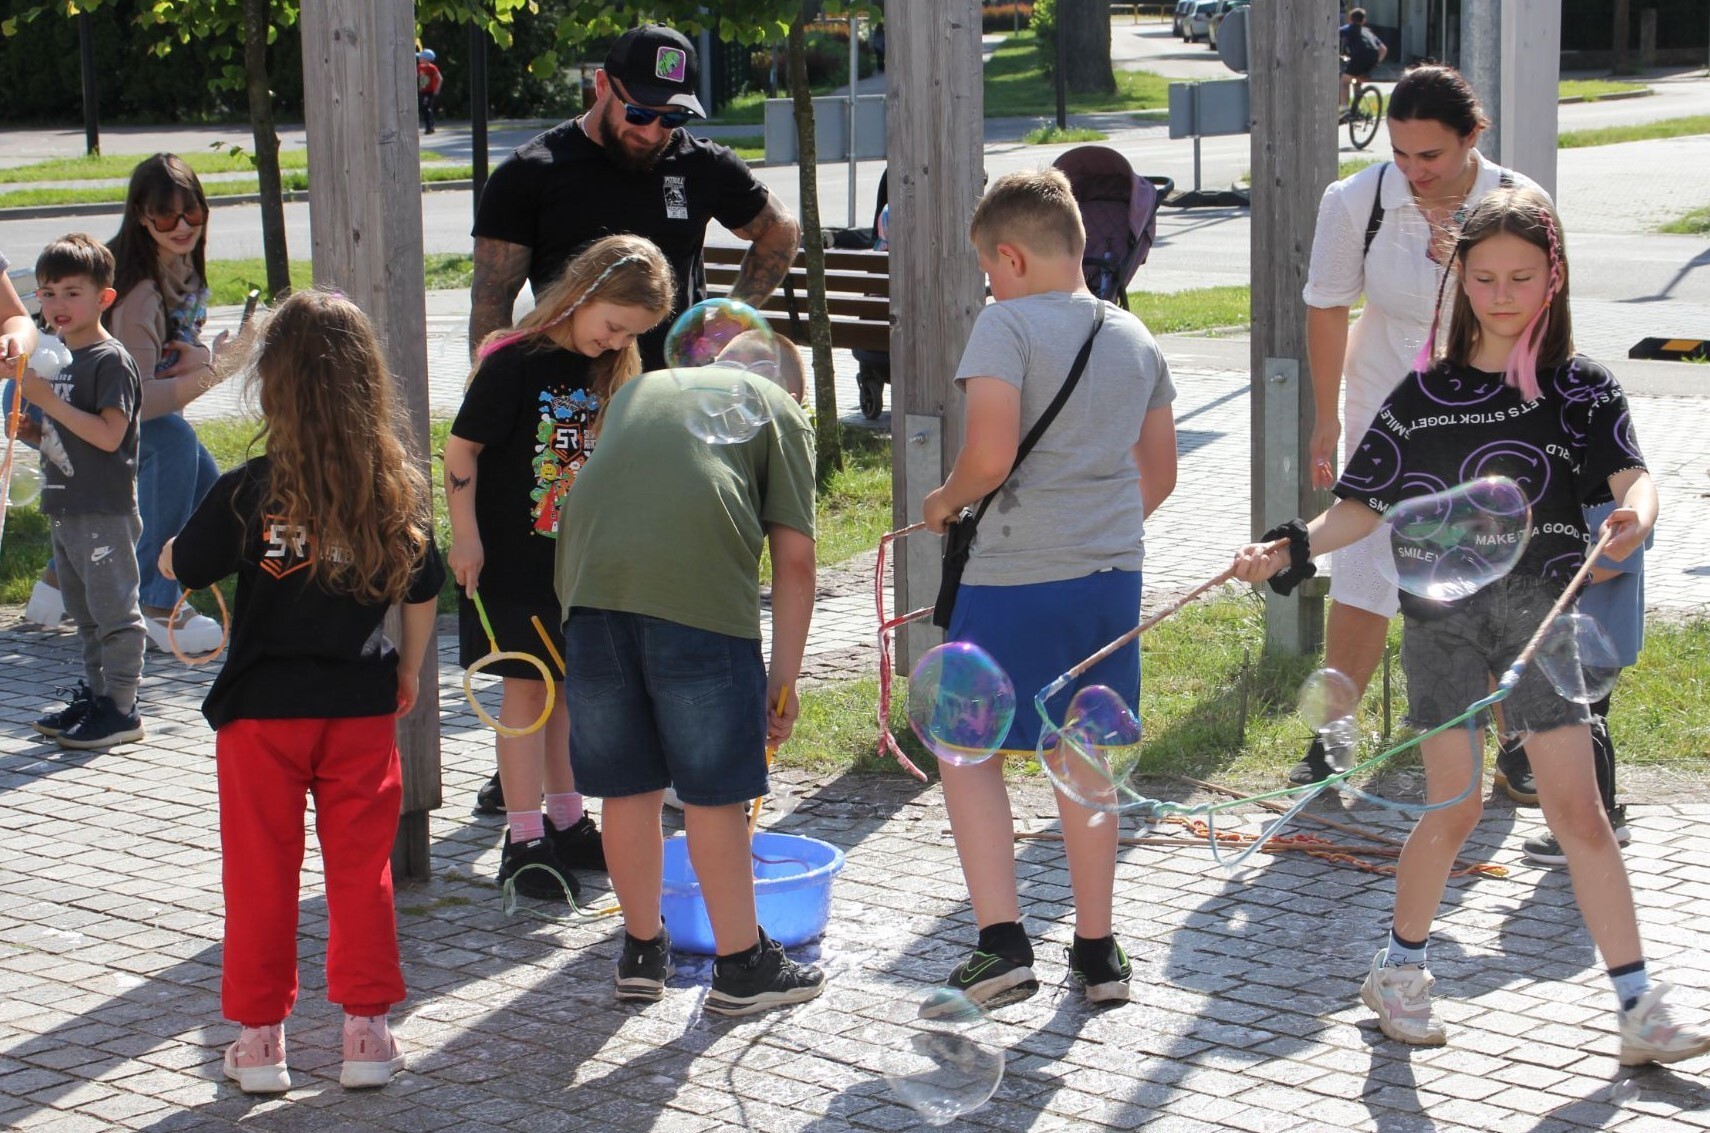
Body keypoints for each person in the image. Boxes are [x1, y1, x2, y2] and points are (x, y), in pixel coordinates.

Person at [1235, 187, 1710, 1067]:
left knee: (1580, 813)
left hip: (1542, 625)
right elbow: (1359, 506)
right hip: (1444, 624)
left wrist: (1634, 519)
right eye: (1484, 278)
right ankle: (1400, 970)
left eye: (1521, 277)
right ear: (1460, 282)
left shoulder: (1581, 388)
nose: (1501, 295)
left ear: (1553, 278)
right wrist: (1291, 545)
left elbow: (1632, 479)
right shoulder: (1425, 394)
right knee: (1451, 808)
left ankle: (1638, 1008)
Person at [467, 22, 801, 816]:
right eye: (640, 112)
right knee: (561, 598)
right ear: (601, 87)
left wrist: (725, 326)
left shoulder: (698, 164)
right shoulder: (532, 173)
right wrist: (493, 421)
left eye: (671, 117)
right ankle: (538, 778)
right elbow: (490, 307)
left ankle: (663, 757)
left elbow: (778, 229)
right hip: (565, 425)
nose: (654, 131)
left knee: (660, 587)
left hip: (672, 416)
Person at [161, 290, 445, 1094]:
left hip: (260, 715)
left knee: (261, 874)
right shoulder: (391, 489)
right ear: (368, 385)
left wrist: (173, 552)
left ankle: (259, 1042)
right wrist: (408, 670)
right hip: (359, 709)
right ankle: (367, 1032)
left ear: (273, 385)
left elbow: (185, 564)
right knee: (362, 871)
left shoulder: (248, 489)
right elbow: (423, 587)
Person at [921, 169, 1178, 1010]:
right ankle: (1098, 951)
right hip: (1110, 580)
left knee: (966, 748)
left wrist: (944, 500)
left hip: (1011, 575)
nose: (988, 286)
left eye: (986, 270)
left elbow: (990, 456)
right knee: (1083, 754)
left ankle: (1000, 943)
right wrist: (1093, 531)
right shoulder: (1134, 333)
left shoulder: (1004, 325)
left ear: (1010, 257)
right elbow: (1161, 475)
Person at [555, 333, 824, 1016]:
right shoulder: (780, 410)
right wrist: (783, 680)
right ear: (793, 391)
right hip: (698, 606)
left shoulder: (642, 389)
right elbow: (795, 562)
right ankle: (743, 966)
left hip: (589, 597)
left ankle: (641, 951)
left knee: (628, 786)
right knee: (712, 794)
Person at [1295, 64, 1542, 787]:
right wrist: (1324, 416)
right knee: (1362, 572)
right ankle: (1331, 737)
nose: (1413, 170)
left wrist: (1468, 266)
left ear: (1472, 137)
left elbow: (1542, 317)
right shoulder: (1357, 199)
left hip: (1489, 412)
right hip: (1385, 405)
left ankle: (1515, 741)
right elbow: (1326, 305)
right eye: (1400, 153)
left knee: (1491, 571)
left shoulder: (1520, 201)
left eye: (1430, 154)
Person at [446, 234, 674, 901]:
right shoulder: (513, 363)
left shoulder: (610, 370)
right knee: (526, 695)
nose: (615, 341)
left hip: (577, 570)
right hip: (510, 566)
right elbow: (461, 451)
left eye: (630, 334)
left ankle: (567, 821)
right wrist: (465, 539)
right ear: (584, 292)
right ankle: (523, 840)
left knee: (568, 694)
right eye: (613, 325)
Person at [25, 155, 227, 657]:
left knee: (207, 485)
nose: (182, 226)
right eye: (166, 216)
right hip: (50, 395)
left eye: (192, 212)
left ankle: (65, 578)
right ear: (141, 216)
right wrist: (217, 370)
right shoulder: (138, 291)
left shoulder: (176, 270)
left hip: (81, 392)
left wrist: (199, 357)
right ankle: (156, 604)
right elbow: (136, 402)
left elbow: (153, 370)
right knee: (174, 446)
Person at [19, 236, 146, 751]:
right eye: (48, 293)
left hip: (103, 510)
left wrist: (48, 400)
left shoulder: (109, 360)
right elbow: (70, 438)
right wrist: (34, 430)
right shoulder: (59, 358)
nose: (58, 305)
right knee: (86, 614)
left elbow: (110, 436)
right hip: (67, 506)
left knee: (114, 613)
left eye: (72, 293)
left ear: (103, 298)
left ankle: (122, 707)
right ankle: (98, 699)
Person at [1517, 499, 1650, 865]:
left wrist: (1542, 581)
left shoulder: (1613, 499)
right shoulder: (1583, 491)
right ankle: (1602, 818)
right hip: (1580, 637)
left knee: (1584, 726)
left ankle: (1592, 823)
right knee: (1585, 722)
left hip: (1597, 638)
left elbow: (1612, 561)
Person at [1339, 8, 1387, 118]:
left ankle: (1345, 109)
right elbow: (1383, 49)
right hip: (1373, 57)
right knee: (1357, 80)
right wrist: (1376, 62)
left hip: (1359, 56)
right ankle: (1356, 109)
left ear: (1350, 19)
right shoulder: (1368, 31)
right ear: (1364, 20)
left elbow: (1334, 34)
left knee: (1344, 82)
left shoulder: (1349, 28)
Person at [417, 49, 443, 134]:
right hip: (422, 91)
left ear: (426, 59)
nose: (419, 58)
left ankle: (429, 127)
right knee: (424, 108)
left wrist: (437, 89)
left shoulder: (432, 68)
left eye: (421, 57)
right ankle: (430, 126)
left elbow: (440, 78)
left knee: (427, 108)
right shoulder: (419, 67)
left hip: (429, 91)